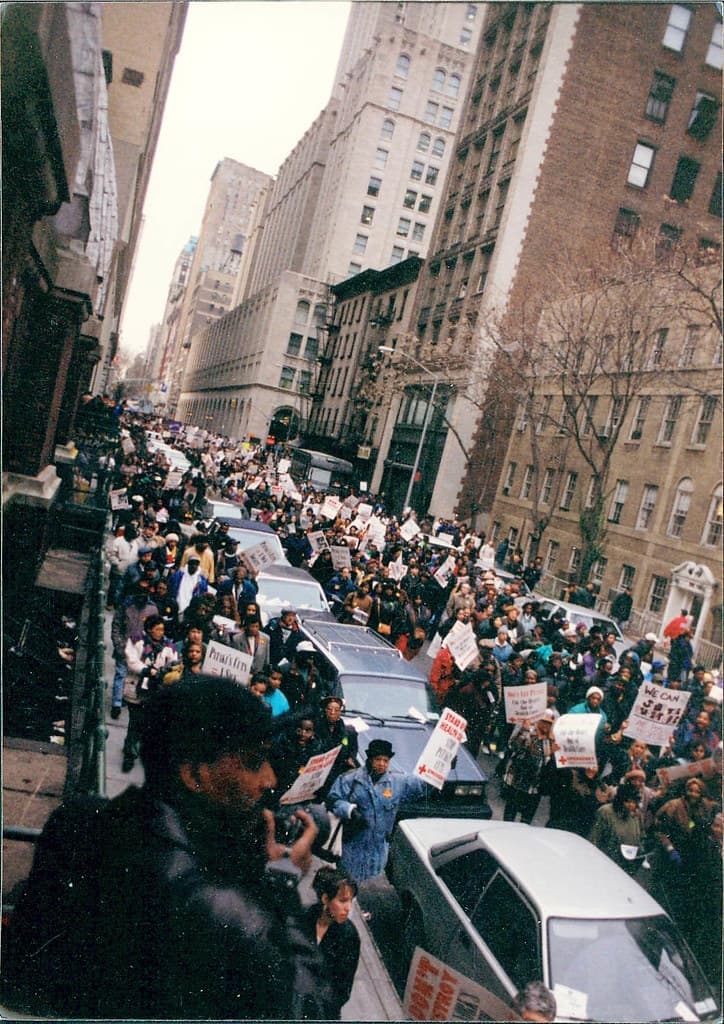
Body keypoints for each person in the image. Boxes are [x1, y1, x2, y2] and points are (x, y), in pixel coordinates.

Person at [1, 676, 336, 1019]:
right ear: (193, 775)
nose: (269, 780)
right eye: (253, 762)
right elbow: (312, 1011)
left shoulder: (78, 819)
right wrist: (282, 881)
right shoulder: (220, 910)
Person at [327, 739, 429, 882]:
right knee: (347, 889)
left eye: (385, 760)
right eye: (378, 759)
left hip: (378, 854)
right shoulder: (350, 779)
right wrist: (349, 810)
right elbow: (333, 800)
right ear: (369, 759)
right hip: (351, 849)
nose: (381, 764)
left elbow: (424, 785)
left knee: (372, 894)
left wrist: (445, 768)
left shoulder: (397, 783)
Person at [302, 866, 361, 1020]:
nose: (348, 908)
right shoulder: (300, 919)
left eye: (350, 901)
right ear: (325, 899)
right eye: (342, 901)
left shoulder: (349, 936)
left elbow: (342, 989)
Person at [501, 711, 557, 824]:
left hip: (533, 787)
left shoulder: (550, 742)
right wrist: (524, 730)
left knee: (526, 821)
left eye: (549, 723)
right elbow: (513, 746)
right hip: (517, 782)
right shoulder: (528, 734)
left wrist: (553, 753)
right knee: (508, 818)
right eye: (544, 722)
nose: (546, 725)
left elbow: (547, 764)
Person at [589, 781, 643, 875]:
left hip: (625, 866)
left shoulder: (634, 816)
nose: (631, 805)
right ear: (620, 799)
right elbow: (594, 839)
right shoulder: (606, 812)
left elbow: (638, 839)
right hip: (605, 863)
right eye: (627, 801)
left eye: (634, 802)